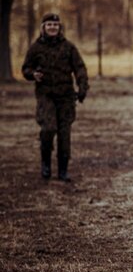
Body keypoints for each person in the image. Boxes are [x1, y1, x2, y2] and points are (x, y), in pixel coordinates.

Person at [22, 13, 89, 182]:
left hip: (66, 96)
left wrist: (82, 87)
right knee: (48, 128)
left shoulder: (69, 47)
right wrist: (32, 74)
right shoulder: (36, 48)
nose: (52, 27)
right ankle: (45, 164)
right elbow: (26, 68)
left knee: (64, 133)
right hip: (46, 95)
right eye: (49, 24)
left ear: (60, 27)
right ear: (43, 27)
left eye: (55, 25)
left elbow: (80, 68)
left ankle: (63, 170)